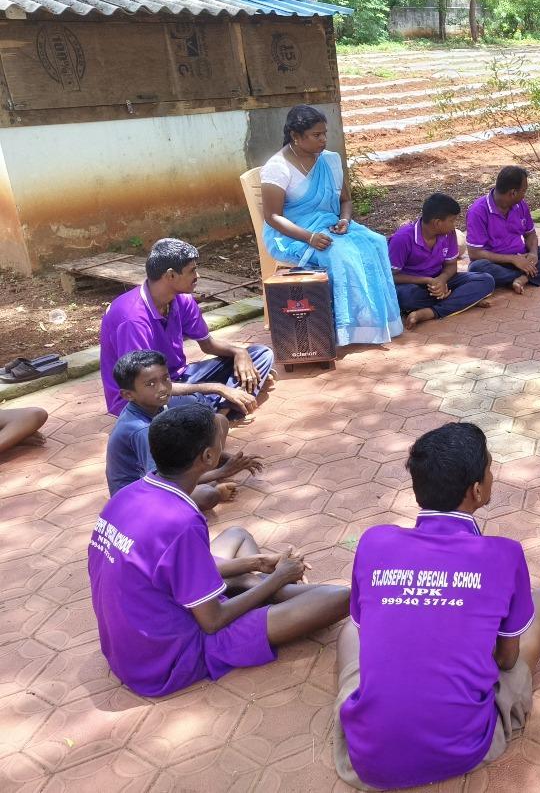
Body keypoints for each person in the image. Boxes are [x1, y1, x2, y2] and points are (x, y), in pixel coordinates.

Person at [333, 423, 540, 790]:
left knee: (349, 630)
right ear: (477, 490)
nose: (491, 475)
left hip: (368, 758)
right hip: (465, 746)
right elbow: (505, 660)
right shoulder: (504, 554)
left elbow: (368, 631)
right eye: (490, 469)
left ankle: (383, 707)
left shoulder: (374, 542)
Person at [88, 404, 350, 698]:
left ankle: (249, 585)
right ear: (209, 457)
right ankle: (263, 589)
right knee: (342, 598)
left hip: (129, 647)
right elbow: (213, 622)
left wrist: (260, 562)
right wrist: (279, 578)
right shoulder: (182, 521)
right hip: (169, 656)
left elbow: (169, 564)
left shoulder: (128, 494)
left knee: (237, 535)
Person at [260, 105, 403, 347]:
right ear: (296, 136)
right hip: (293, 233)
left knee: (376, 243)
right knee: (340, 254)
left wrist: (345, 220)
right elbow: (273, 217)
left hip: (330, 224)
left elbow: (345, 200)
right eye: (317, 135)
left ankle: (374, 319)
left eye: (325, 133)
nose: (324, 140)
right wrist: (309, 237)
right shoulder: (278, 167)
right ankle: (344, 327)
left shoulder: (330, 160)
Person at [99, 238, 274, 417]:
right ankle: (223, 407)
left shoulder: (182, 299)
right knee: (191, 402)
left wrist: (240, 353)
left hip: (180, 377)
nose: (197, 276)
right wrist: (217, 387)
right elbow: (145, 384)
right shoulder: (132, 319)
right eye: (192, 271)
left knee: (261, 354)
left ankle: (220, 409)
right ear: (171, 276)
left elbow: (208, 345)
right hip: (144, 396)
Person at [105, 351, 261, 510]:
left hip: (161, 476)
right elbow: (161, 483)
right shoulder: (141, 430)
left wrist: (229, 459)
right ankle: (212, 484)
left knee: (217, 421)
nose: (162, 388)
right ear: (128, 395)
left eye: (165, 378)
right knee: (208, 495)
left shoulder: (150, 405)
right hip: (137, 501)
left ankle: (207, 476)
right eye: (150, 384)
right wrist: (223, 471)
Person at [389, 193, 496, 328]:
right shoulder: (402, 239)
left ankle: (429, 312)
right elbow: (391, 276)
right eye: (452, 221)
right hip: (414, 285)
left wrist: (442, 280)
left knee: (486, 280)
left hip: (441, 280)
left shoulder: (448, 234)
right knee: (406, 297)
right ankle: (463, 300)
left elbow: (451, 265)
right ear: (437, 223)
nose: (453, 226)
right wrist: (428, 281)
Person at [465, 166, 540, 294]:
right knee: (477, 268)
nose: (525, 195)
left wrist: (533, 253)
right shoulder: (477, 211)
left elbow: (530, 234)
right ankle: (529, 275)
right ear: (513, 193)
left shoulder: (520, 205)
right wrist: (513, 259)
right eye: (524, 191)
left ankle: (523, 277)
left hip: (524, 256)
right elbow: (475, 253)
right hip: (497, 263)